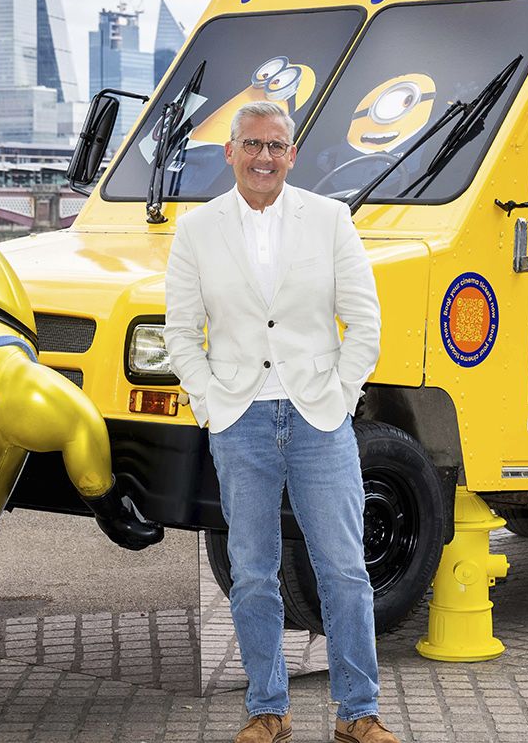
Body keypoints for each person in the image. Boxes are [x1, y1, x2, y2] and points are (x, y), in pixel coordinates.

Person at [165, 101, 399, 743]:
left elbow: (365, 322)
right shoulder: (196, 230)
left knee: (345, 570)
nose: (263, 157)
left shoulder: (329, 220)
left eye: (275, 146)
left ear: (292, 155)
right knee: (252, 573)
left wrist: (342, 394)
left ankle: (359, 715)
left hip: (319, 418)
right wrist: (212, 403)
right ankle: (268, 710)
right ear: (230, 152)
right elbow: (182, 334)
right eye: (251, 145)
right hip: (239, 420)